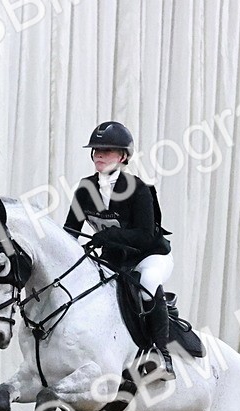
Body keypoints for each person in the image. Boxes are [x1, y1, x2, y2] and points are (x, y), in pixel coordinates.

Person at [64, 121, 176, 379]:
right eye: (96, 150)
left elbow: (146, 236)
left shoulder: (139, 189)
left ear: (123, 156)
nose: (99, 155)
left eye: (107, 150)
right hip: (114, 260)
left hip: (149, 256)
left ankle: (162, 355)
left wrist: (110, 235)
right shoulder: (86, 188)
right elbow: (70, 230)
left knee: (147, 282)